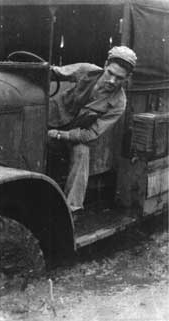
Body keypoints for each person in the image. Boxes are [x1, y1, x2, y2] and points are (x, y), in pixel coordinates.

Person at [47, 46, 137, 214]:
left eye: (119, 78)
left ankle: (71, 209)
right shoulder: (86, 70)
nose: (112, 81)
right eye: (110, 73)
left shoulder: (118, 103)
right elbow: (55, 72)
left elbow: (91, 134)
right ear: (105, 65)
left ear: (127, 78)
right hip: (51, 118)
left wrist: (61, 135)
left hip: (73, 135)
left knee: (82, 153)